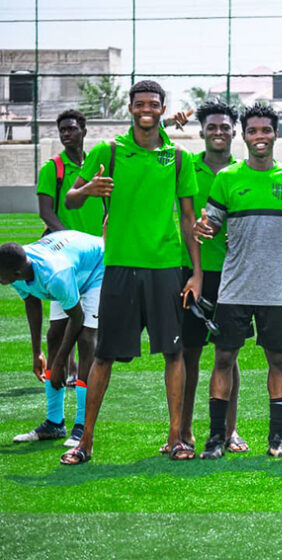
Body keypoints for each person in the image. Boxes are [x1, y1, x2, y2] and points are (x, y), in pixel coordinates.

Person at [60, 80, 201, 465]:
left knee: (174, 354)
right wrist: (89, 188)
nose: (146, 109)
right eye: (140, 103)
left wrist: (197, 273)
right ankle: (84, 441)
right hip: (120, 268)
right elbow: (70, 198)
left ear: (162, 108)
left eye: (153, 104)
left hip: (165, 267)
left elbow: (188, 219)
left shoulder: (177, 157)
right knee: (103, 356)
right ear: (130, 107)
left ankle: (175, 439)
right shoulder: (110, 151)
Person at [195, 104, 282, 459]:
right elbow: (210, 224)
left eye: (266, 131)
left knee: (278, 360)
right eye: (253, 131)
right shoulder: (227, 177)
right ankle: (216, 439)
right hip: (235, 288)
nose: (260, 137)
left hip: (275, 290)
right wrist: (204, 227)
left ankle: (276, 440)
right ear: (243, 136)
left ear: (277, 134)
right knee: (224, 358)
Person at [162, 100, 250, 456]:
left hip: (234, 274)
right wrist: (167, 121)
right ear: (201, 132)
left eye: (224, 127)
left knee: (228, 356)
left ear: (234, 132)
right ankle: (183, 430)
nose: (218, 132)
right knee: (189, 353)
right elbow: (145, 139)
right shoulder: (184, 164)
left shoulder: (245, 171)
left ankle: (230, 431)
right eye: (211, 127)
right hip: (190, 274)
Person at [2, 231, 103, 448]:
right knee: (54, 336)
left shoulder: (55, 276)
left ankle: (82, 426)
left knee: (86, 340)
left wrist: (59, 363)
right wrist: (37, 352)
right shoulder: (16, 266)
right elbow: (32, 301)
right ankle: (54, 424)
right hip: (69, 267)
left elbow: (77, 317)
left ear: (16, 272)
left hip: (97, 268)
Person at [36, 109, 105, 387]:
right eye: (62, 130)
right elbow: (46, 212)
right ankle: (63, 370)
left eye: (72, 129)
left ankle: (82, 381)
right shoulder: (53, 168)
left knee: (89, 330)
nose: (66, 134)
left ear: (84, 131)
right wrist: (70, 241)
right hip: (63, 258)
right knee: (59, 328)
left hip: (95, 259)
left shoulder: (95, 167)